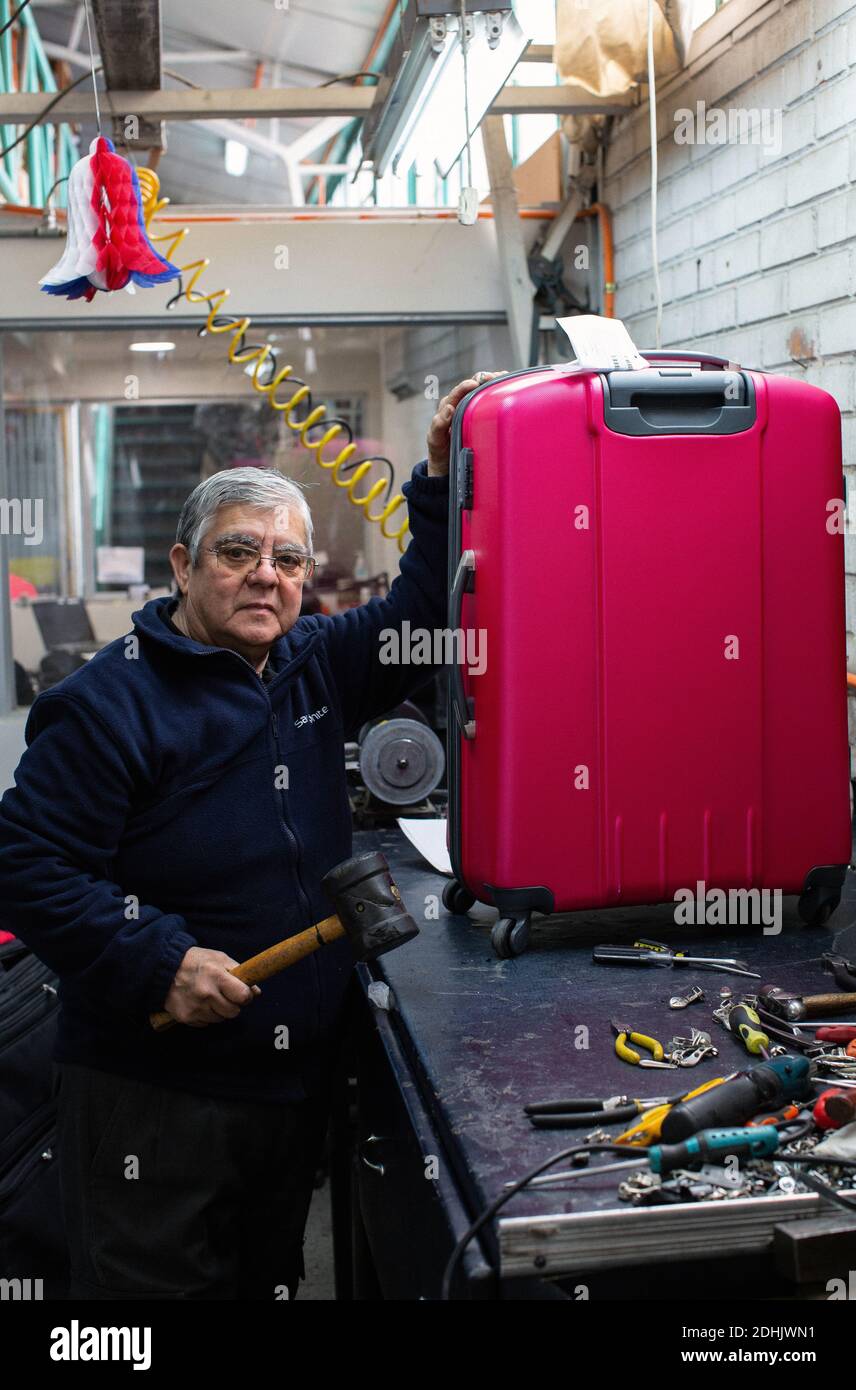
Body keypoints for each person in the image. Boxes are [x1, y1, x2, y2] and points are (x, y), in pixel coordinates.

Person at [0, 373, 498, 1300]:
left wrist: (437, 478)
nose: (267, 574)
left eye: (289, 560)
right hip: (154, 1090)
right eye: (239, 552)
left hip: (287, 1083)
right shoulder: (109, 704)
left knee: (269, 1278)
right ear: (183, 567)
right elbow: (23, 863)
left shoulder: (309, 662)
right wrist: (156, 960)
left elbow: (423, 619)